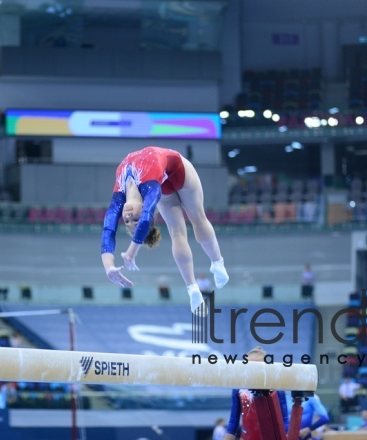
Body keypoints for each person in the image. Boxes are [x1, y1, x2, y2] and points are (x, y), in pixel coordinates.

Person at [100, 147, 229, 314]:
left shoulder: (119, 197)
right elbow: (146, 217)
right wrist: (129, 253)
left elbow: (108, 230)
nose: (128, 217)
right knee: (191, 223)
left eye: (127, 221)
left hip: (172, 170)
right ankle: (194, 286)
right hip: (180, 173)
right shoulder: (150, 191)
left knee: (190, 224)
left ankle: (216, 264)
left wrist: (109, 267)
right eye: (135, 220)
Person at [224, 347, 290, 440]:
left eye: (257, 365)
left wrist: (287, 435)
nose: (254, 368)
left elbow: (284, 419)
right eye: (250, 364)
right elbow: (233, 421)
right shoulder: (239, 388)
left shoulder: (276, 389)